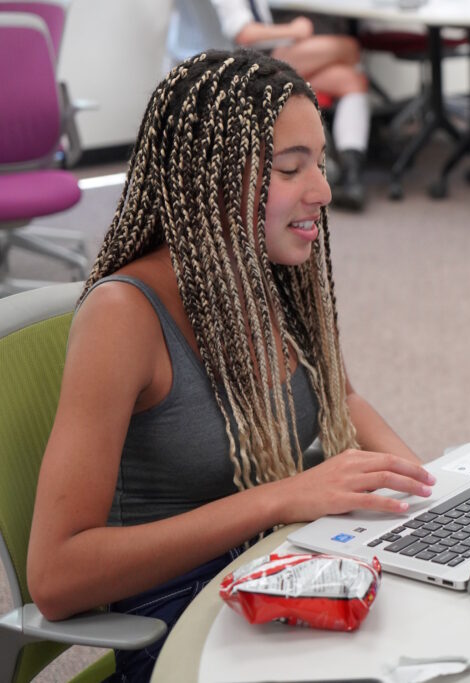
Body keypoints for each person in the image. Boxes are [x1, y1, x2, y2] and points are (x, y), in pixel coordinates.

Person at [26, 50, 433, 681]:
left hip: (292, 570)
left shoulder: (270, 271)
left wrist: (430, 504)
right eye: (292, 168)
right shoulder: (122, 317)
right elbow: (56, 577)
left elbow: (342, 398)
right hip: (183, 621)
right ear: (211, 178)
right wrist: (280, 499)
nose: (322, 192)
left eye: (320, 163)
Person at [166, 0, 372, 211]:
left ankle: (351, 173)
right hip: (233, 66)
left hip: (253, 56)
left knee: (351, 81)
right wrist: (293, 30)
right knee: (349, 47)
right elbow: (243, 33)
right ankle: (345, 174)